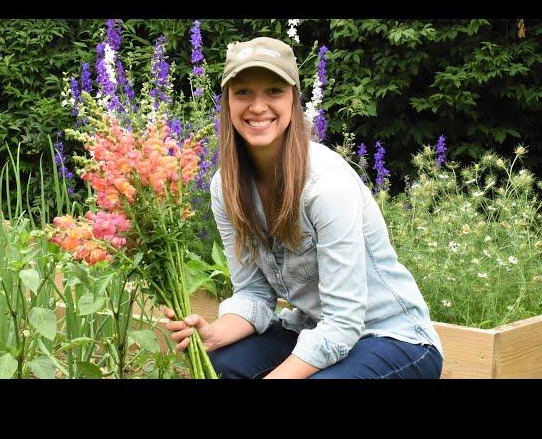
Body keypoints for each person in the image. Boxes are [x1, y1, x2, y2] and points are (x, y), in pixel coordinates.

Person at [164, 36, 444, 379]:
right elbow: (253, 293)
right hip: (315, 328)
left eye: (273, 91)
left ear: (294, 99)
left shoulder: (327, 184)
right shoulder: (227, 187)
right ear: (227, 103)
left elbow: (343, 322)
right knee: (221, 364)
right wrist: (215, 333)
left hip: (393, 337)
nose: (257, 106)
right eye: (243, 92)